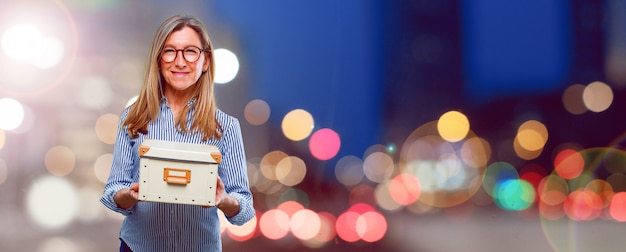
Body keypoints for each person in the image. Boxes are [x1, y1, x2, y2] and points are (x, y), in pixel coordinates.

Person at [100, 14, 255, 251]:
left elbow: (244, 211)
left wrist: (224, 200)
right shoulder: (133, 119)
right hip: (138, 247)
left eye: (191, 51)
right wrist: (130, 195)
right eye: (170, 51)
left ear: (205, 61)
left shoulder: (226, 127)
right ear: (158, 59)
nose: (180, 62)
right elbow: (113, 191)